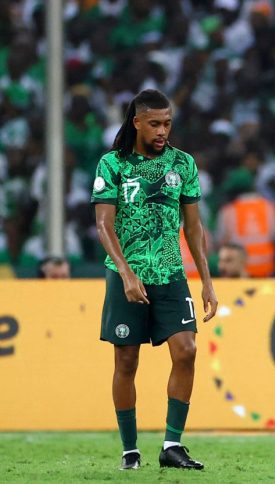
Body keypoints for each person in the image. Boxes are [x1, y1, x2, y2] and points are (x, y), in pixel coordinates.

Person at [92, 89, 218, 471]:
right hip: (126, 277)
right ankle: (130, 450)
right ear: (136, 122)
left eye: (167, 123)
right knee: (127, 362)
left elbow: (194, 227)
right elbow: (103, 224)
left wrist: (207, 281)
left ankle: (172, 446)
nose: (163, 130)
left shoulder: (183, 164)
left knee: (188, 351)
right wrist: (127, 273)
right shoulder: (113, 164)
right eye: (155, 124)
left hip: (170, 274)